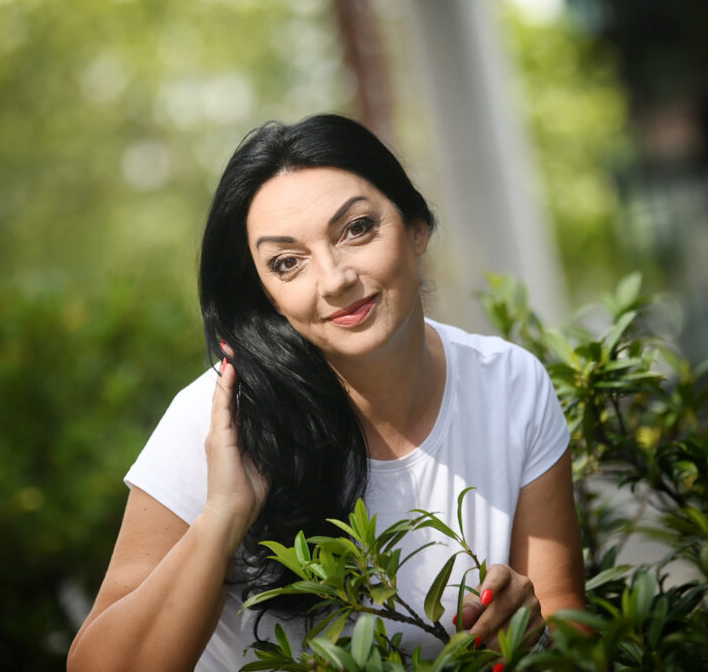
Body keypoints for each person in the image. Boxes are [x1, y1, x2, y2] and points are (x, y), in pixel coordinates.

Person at [67, 114, 585, 671]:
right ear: (265, 295)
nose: (335, 279)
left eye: (356, 229)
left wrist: (530, 623)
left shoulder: (509, 386)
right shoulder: (220, 421)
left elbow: (569, 627)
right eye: (288, 263)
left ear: (416, 227)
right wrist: (223, 515)